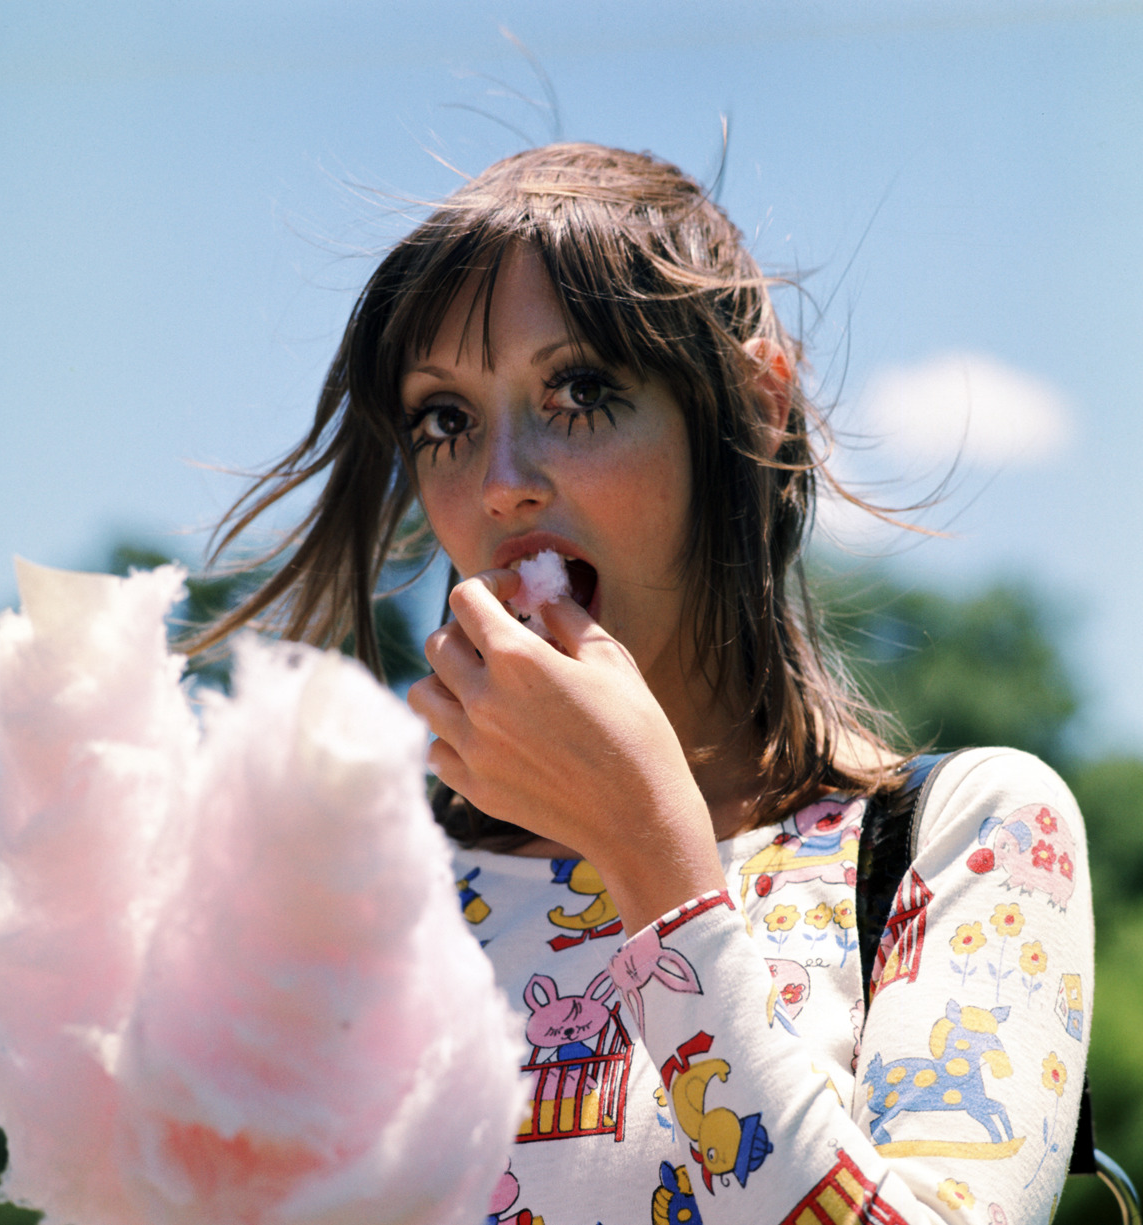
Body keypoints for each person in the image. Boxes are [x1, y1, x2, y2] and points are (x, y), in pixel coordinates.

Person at [196, 144, 1092, 1224]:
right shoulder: (355, 887)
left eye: (578, 390)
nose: (501, 486)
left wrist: (650, 861)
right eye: (446, 419)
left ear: (759, 405)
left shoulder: (961, 833)